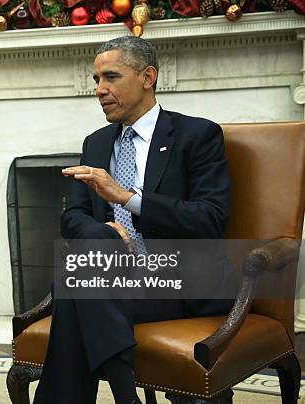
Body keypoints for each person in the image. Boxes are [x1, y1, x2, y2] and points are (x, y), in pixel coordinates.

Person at [33, 36, 235, 404]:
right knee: (89, 257)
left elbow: (211, 218)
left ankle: (121, 394)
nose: (100, 90)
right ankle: (126, 393)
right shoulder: (95, 142)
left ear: (148, 77)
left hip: (179, 284)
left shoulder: (197, 135)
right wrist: (106, 233)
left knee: (74, 286)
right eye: (96, 80)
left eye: (111, 77)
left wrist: (128, 199)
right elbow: (73, 217)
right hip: (114, 279)